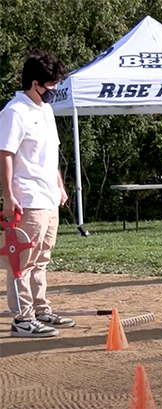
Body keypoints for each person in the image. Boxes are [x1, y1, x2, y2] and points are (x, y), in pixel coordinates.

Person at [0, 50, 71, 338]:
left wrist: (59, 185)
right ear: (34, 83)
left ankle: (41, 309)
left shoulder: (46, 110)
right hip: (27, 198)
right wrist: (8, 197)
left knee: (42, 258)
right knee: (22, 261)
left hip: (48, 198)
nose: (53, 91)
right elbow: (5, 154)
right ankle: (22, 318)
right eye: (49, 85)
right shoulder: (14, 112)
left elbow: (51, 151)